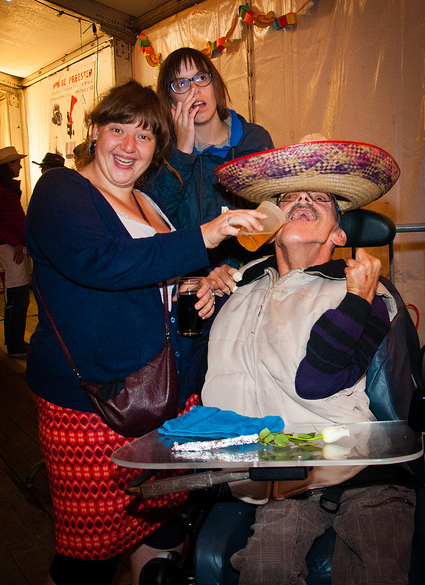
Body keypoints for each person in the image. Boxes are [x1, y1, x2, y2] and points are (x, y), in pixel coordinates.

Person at [24, 80, 265, 585]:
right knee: (87, 558)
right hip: (94, 403)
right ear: (95, 131)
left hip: (164, 396)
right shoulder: (62, 190)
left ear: (157, 148)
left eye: (145, 136)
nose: (129, 146)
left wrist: (200, 285)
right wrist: (205, 235)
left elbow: (156, 276)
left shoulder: (148, 205)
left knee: (162, 532)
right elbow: (101, 261)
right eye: (119, 129)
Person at [201, 139, 418, 585]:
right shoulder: (237, 290)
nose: (302, 201)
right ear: (270, 225)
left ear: (339, 234)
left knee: (377, 571)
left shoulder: (370, 292)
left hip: (367, 473)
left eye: (319, 198)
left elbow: (317, 381)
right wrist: (214, 283)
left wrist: (357, 298)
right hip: (285, 481)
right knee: (265, 570)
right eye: (289, 198)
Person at [144, 46, 274, 269]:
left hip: (253, 274)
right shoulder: (161, 153)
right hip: (194, 278)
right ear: (170, 100)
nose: (195, 90)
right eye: (182, 84)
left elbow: (270, 212)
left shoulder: (254, 139)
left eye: (201, 78)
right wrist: (182, 153)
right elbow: (155, 221)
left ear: (215, 85)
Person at [0, 146, 31, 358]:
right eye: (16, 162)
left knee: (16, 295)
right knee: (18, 295)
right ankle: (15, 344)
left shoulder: (8, 188)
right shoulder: (4, 190)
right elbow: (3, 222)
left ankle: (13, 341)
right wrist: (15, 242)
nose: (19, 166)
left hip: (13, 244)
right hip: (10, 246)